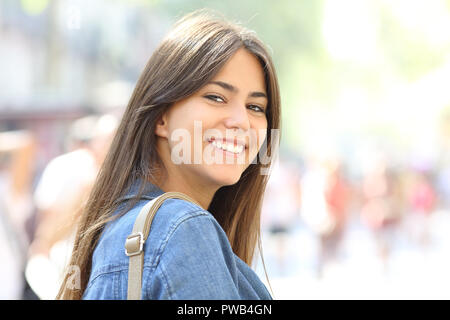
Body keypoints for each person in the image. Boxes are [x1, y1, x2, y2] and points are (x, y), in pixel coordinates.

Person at [57, 9, 281, 300]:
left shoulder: (118, 231)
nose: (240, 121)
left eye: (255, 107)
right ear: (161, 117)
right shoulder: (183, 228)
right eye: (215, 97)